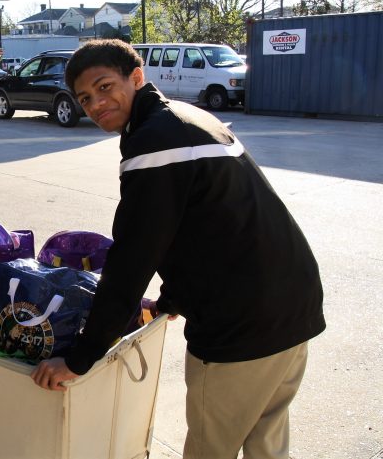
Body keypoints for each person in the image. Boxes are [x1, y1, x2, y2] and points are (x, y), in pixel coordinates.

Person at [30, 39, 325, 459]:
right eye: (85, 98)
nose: (96, 104)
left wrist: (81, 357)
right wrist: (171, 299)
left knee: (210, 449)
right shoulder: (186, 118)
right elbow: (206, 224)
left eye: (104, 86)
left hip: (241, 326)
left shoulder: (156, 141)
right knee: (267, 444)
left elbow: (133, 257)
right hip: (294, 303)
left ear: (136, 77)